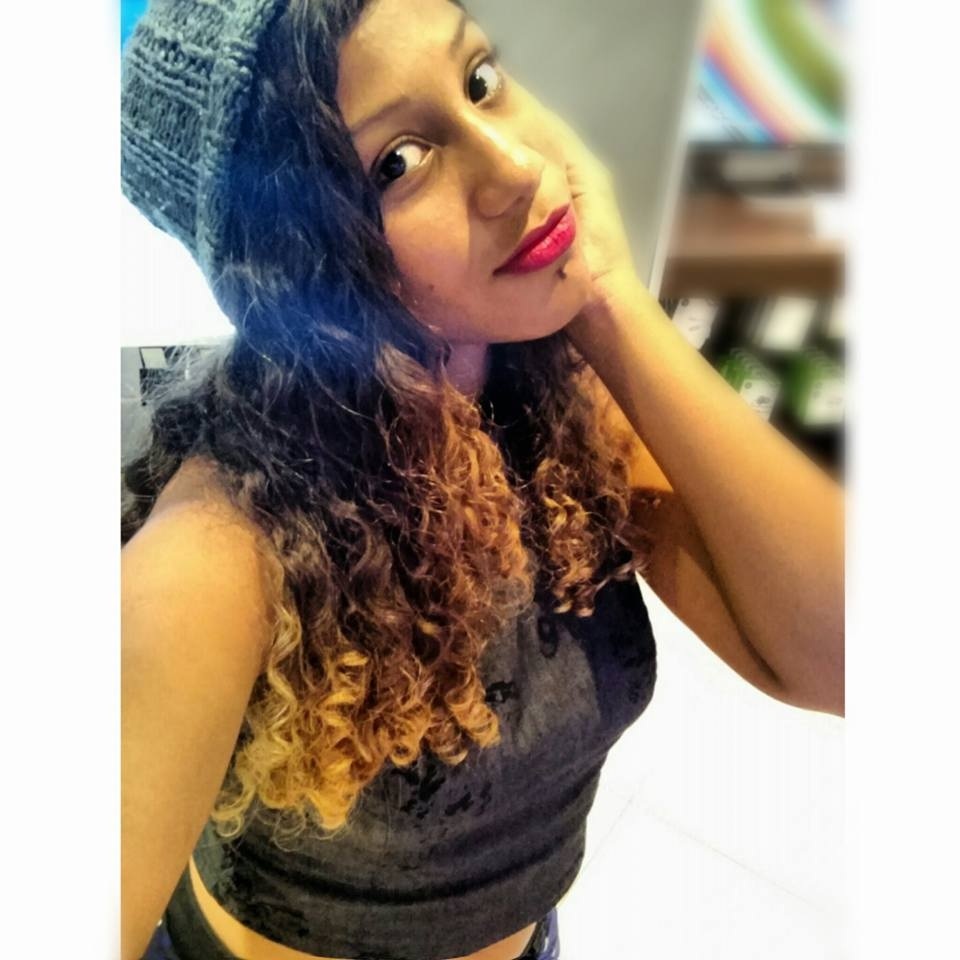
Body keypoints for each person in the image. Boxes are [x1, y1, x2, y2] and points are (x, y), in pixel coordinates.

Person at [120, 1, 845, 959]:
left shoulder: (559, 398)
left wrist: (610, 301)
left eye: (480, 81)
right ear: (298, 265)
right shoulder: (226, 546)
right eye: (398, 162)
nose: (516, 167)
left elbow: (844, 658)